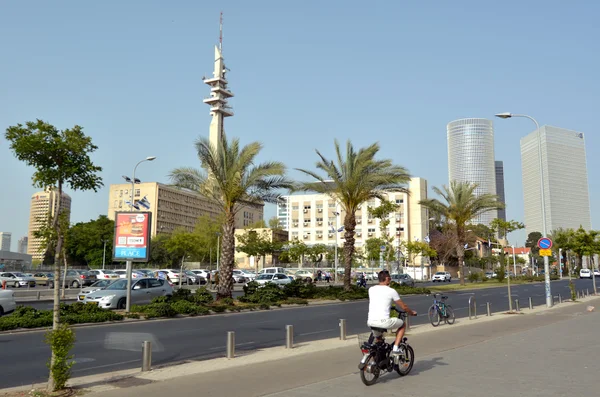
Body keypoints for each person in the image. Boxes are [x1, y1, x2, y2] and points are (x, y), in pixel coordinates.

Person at [367, 270, 417, 355]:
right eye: (390, 278)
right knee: (402, 324)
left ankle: (379, 360)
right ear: (387, 279)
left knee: (379, 339)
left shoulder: (371, 289)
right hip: (384, 322)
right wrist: (411, 312)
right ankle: (395, 348)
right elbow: (403, 306)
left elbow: (379, 301)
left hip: (371, 322)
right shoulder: (391, 291)